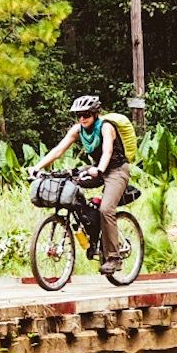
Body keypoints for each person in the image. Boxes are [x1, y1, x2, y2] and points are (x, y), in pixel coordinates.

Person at [33, 95, 130, 273]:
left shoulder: (106, 127)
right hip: (96, 168)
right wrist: (37, 167)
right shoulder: (78, 130)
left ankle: (114, 257)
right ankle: (92, 228)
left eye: (86, 114)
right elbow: (58, 150)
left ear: (95, 114)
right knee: (68, 186)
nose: (82, 118)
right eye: (79, 115)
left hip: (116, 170)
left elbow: (108, 150)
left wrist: (99, 170)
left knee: (106, 209)